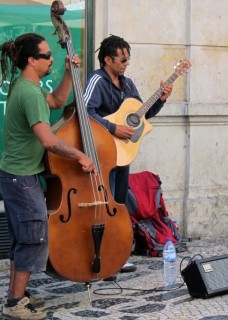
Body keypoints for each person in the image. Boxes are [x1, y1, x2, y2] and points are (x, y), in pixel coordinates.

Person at [0, 33, 95, 319]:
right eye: (47, 55)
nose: (52, 58)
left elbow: (56, 100)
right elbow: (48, 140)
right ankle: (15, 304)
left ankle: (17, 296)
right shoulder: (28, 92)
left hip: (18, 175)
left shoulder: (29, 86)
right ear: (32, 60)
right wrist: (80, 155)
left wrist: (69, 73)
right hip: (22, 178)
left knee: (23, 239)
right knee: (32, 239)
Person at [83, 35, 173, 277]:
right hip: (102, 153)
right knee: (104, 205)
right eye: (122, 59)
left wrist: (161, 99)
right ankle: (99, 259)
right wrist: (113, 128)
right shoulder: (97, 80)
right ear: (108, 59)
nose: (126, 63)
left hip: (122, 154)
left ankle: (116, 256)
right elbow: (84, 112)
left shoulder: (128, 84)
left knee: (119, 205)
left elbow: (142, 115)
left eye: (128, 58)